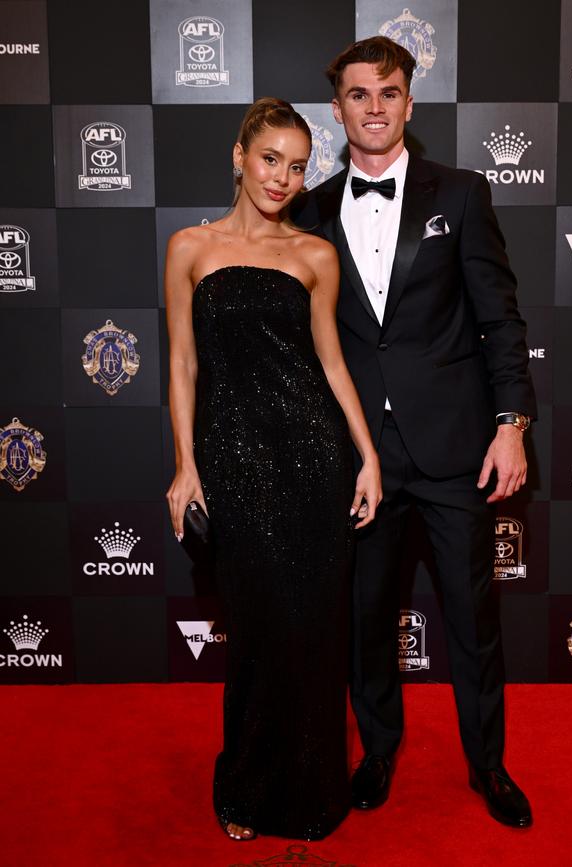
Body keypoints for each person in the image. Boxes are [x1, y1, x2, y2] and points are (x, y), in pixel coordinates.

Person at [292, 37, 537, 828]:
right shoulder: (309, 209)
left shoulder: (460, 195)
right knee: (366, 621)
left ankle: (488, 766)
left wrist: (511, 425)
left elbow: (500, 319)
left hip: (454, 449)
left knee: (473, 621)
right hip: (359, 459)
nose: (373, 107)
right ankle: (377, 753)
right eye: (358, 95)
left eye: (388, 92)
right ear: (336, 111)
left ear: (408, 101)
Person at [164, 97, 382, 842]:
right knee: (258, 631)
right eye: (269, 160)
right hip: (235, 461)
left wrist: (368, 456)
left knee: (316, 631)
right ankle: (248, 787)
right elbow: (183, 363)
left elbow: (332, 363)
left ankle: (316, 793)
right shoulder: (189, 246)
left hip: (314, 458)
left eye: (297, 166)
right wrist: (185, 466)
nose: (283, 178)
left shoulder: (313, 255)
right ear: (238, 154)